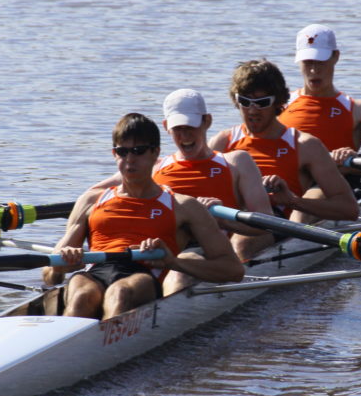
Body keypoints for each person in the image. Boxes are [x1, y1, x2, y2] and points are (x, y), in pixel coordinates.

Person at [41, 113, 244, 319]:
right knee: (81, 296)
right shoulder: (91, 200)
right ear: (114, 154)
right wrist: (62, 266)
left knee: (120, 293)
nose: (130, 160)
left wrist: (173, 262)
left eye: (138, 151)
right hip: (96, 270)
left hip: (145, 274)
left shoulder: (183, 206)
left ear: (155, 153)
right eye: (123, 151)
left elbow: (233, 270)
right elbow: (50, 275)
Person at [208, 59, 359, 227]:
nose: (252, 111)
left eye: (262, 102)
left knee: (243, 242)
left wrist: (292, 201)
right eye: (244, 101)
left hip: (273, 226)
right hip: (225, 222)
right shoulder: (222, 142)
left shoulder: (306, 146)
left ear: (278, 102)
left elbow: (349, 209)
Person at [154, 89, 274, 259]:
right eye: (178, 129)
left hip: (213, 250)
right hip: (166, 248)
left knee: (183, 265)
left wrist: (222, 221)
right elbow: (103, 191)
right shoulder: (153, 166)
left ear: (207, 121)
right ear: (166, 127)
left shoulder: (236, 162)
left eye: (190, 126)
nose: (185, 135)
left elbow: (267, 223)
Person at [280, 24, 361, 177]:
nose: (313, 70)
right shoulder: (278, 105)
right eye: (308, 62)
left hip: (326, 188)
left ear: (336, 56)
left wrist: (353, 166)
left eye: (320, 61)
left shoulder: (360, 110)